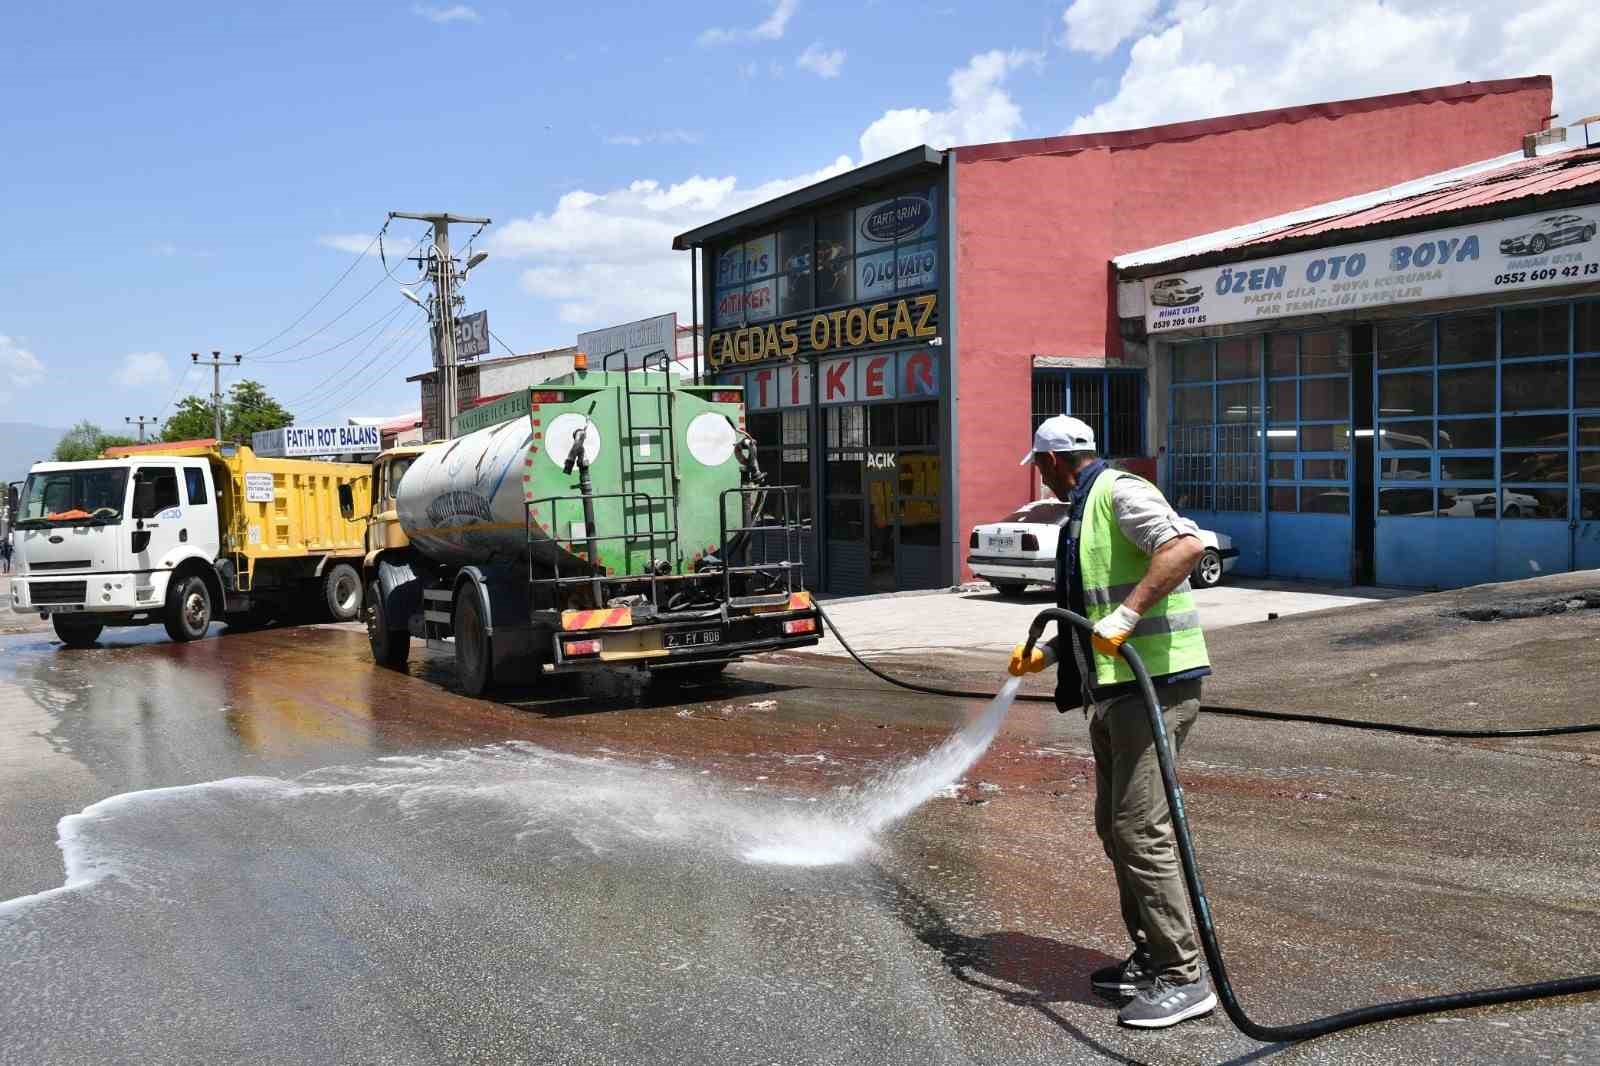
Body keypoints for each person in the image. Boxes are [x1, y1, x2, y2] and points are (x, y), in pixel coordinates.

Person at [1008, 414, 1215, 1030]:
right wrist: (1050, 653)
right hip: (1114, 691)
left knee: (1139, 828)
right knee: (1115, 826)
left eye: (1040, 466)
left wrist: (1127, 615)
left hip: (1156, 687)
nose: (1041, 477)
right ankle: (1152, 955)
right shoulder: (1083, 509)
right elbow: (1090, 609)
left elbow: (1185, 547)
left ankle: (1183, 975)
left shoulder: (1120, 491)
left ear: (1052, 461)